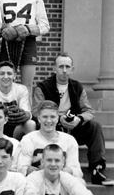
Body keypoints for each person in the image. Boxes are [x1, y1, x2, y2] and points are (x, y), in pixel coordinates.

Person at [32, 53, 113, 185]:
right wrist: (57, 119)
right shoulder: (43, 87)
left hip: (74, 128)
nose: (64, 70)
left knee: (95, 126)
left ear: (72, 69)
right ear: (54, 68)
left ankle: (97, 171)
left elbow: (89, 111)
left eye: (67, 67)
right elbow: (36, 111)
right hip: (52, 128)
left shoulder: (77, 87)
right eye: (61, 66)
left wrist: (79, 119)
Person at [0, 0, 49, 97]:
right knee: (6, 82)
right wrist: (4, 29)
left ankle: (26, 115)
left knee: (27, 85)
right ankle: (7, 114)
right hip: (8, 42)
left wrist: (28, 29)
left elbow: (45, 26)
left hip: (28, 42)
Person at [19, 100, 81, 178]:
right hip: (36, 182)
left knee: (80, 183)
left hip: (62, 182)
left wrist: (69, 171)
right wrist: (31, 170)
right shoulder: (28, 139)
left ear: (57, 118)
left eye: (52, 117)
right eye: (45, 117)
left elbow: (77, 171)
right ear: (39, 118)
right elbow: (21, 168)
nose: (48, 121)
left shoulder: (69, 140)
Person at [0, 60, 35, 139]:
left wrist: (25, 115)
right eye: (2, 73)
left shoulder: (21, 89)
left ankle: (28, 149)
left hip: (15, 127)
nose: (6, 77)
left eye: (9, 73)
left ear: (14, 76)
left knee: (30, 124)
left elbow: (27, 112)